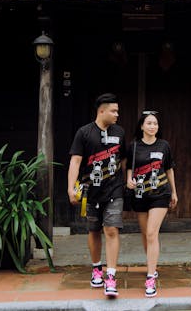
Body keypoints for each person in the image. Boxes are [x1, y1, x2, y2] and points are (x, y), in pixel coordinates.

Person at [67, 93, 126, 298]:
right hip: (90, 191)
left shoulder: (119, 132)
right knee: (93, 230)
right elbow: (75, 161)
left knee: (111, 229)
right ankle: (96, 269)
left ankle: (111, 276)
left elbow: (124, 159)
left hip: (114, 189)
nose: (117, 114)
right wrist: (71, 188)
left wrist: (126, 179)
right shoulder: (84, 132)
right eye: (113, 110)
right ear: (101, 111)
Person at [126, 110, 178, 298]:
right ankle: (152, 265)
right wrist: (128, 180)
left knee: (151, 232)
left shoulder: (164, 145)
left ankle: (150, 278)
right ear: (141, 126)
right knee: (145, 233)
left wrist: (174, 191)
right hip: (140, 194)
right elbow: (130, 167)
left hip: (160, 194)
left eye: (155, 123)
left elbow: (169, 168)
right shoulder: (133, 146)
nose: (152, 126)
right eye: (149, 123)